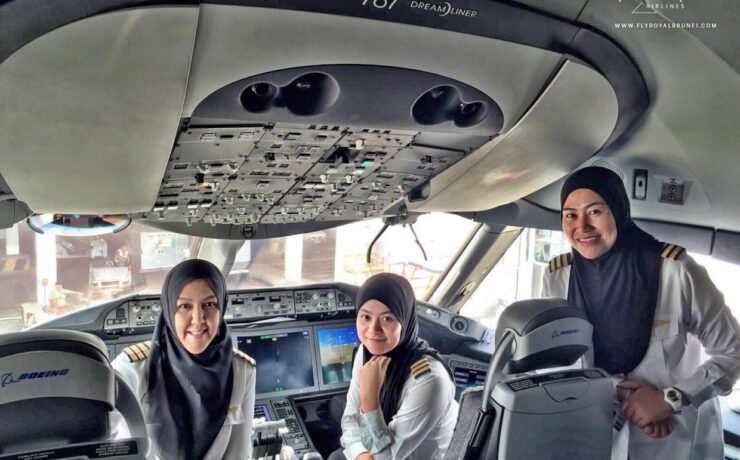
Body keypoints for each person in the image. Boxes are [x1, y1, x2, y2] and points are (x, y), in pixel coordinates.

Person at [542, 166, 740, 460]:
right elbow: (556, 360)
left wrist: (671, 398)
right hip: (595, 436)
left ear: (619, 211)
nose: (581, 226)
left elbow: (733, 352)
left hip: (674, 442)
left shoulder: (676, 270)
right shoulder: (558, 276)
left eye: (595, 211)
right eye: (570, 214)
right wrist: (616, 390)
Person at [112, 259, 255, 460]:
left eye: (210, 304)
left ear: (222, 307)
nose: (198, 319)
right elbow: (99, 442)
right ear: (169, 309)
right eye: (185, 306)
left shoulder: (242, 371)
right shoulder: (131, 370)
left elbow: (239, 453)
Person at [334, 273, 458, 460]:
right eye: (366, 317)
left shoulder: (430, 381)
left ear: (405, 320)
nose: (373, 330)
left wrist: (369, 397)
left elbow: (386, 457)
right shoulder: (366, 352)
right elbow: (350, 421)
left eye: (387, 319)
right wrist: (361, 456)